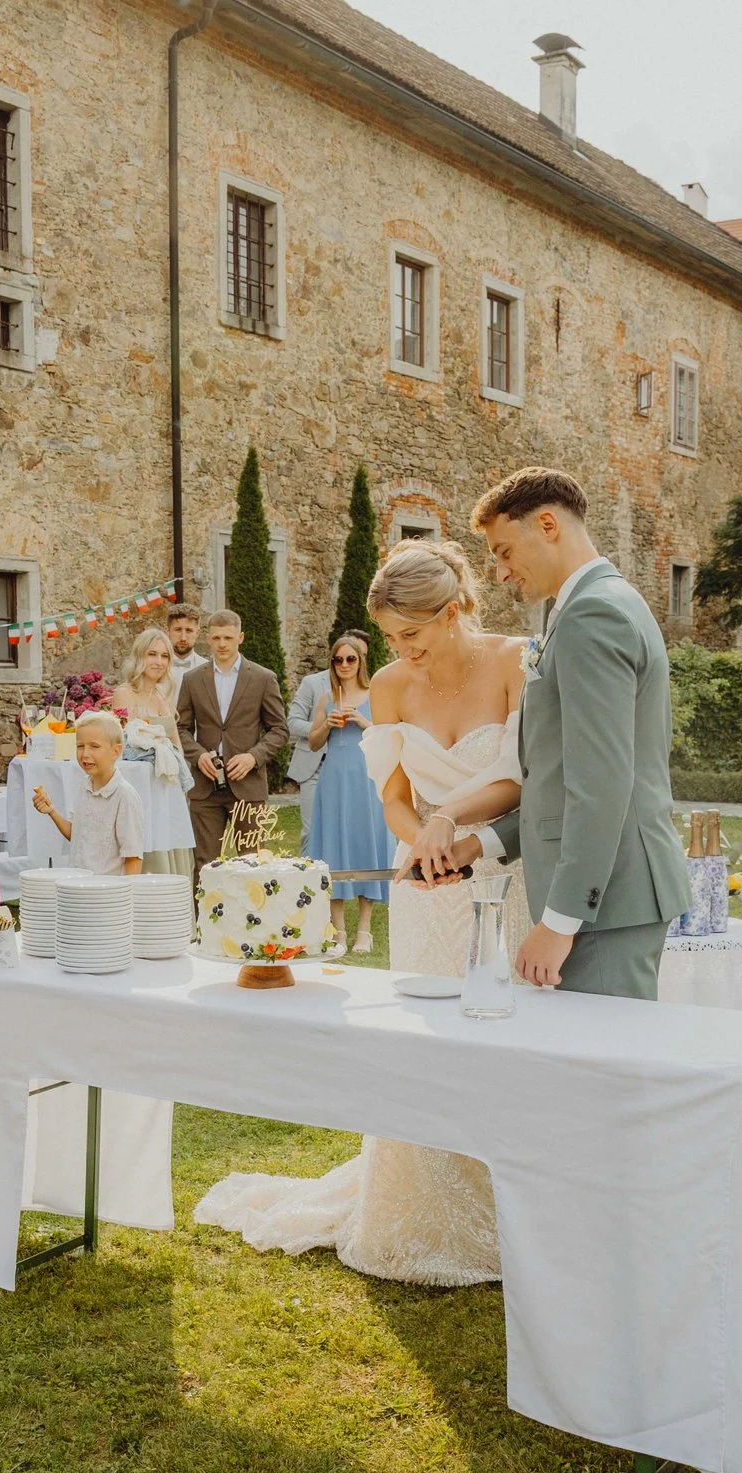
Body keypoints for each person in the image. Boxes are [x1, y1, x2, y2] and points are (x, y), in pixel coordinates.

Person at [194, 540, 528, 1286]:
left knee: (504, 1038)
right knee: (426, 1045)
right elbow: (395, 799)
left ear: (452, 613)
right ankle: (421, 1209)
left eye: (411, 636)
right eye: (392, 639)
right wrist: (426, 848)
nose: (400, 653)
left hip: (504, 870)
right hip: (427, 883)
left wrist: (459, 839)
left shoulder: (515, 662)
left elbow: (518, 778)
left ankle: (516, 1210)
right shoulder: (387, 685)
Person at [421, 466, 691, 999]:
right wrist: (479, 844)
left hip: (605, 907)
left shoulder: (593, 614)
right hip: (603, 902)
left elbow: (602, 785)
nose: (500, 573)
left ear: (547, 525)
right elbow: (558, 781)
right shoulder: (587, 607)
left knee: (602, 1075)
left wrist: (560, 922)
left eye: (502, 551)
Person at [300, 631, 390, 952]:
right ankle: (337, 930)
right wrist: (327, 724)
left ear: (361, 661)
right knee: (333, 848)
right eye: (338, 660)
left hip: (366, 778)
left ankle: (364, 930)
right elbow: (312, 743)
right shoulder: (326, 698)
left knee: (367, 843)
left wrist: (363, 721)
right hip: (334, 779)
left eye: (351, 659)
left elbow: (390, 735)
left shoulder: (375, 693)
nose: (344, 665)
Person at [175, 609, 285, 862]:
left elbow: (279, 730)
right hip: (205, 787)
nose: (222, 644)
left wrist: (253, 757)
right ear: (207, 639)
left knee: (253, 862)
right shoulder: (192, 680)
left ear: (240, 637)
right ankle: (203, 904)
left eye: (228, 637)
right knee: (204, 864)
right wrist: (198, 755)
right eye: (216, 638)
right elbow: (180, 728)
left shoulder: (263, 678)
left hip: (248, 785)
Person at [110, 626, 195, 877]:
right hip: (141, 787)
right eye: (152, 654)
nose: (158, 662)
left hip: (166, 785)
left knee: (173, 845)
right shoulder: (124, 694)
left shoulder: (162, 695)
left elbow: (175, 741)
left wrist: (182, 773)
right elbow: (125, 744)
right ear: (139, 657)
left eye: (164, 656)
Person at [31, 711, 146, 877]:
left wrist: (126, 899)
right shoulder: (84, 787)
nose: (85, 754)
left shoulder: (124, 796)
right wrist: (52, 811)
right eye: (80, 746)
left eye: (94, 746)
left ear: (115, 751)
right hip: (78, 886)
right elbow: (75, 834)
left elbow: (133, 856)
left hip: (106, 892)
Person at [286, 649, 331, 846]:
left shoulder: (368, 689)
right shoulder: (313, 683)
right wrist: (323, 728)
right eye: (341, 658)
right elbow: (293, 722)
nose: (347, 664)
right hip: (314, 766)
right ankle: (308, 875)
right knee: (311, 832)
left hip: (349, 769)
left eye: (356, 657)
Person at [165, 601, 208, 682]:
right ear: (168, 631)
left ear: (197, 633)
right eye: (178, 630)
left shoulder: (207, 669)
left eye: (189, 631)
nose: (183, 638)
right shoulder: (155, 666)